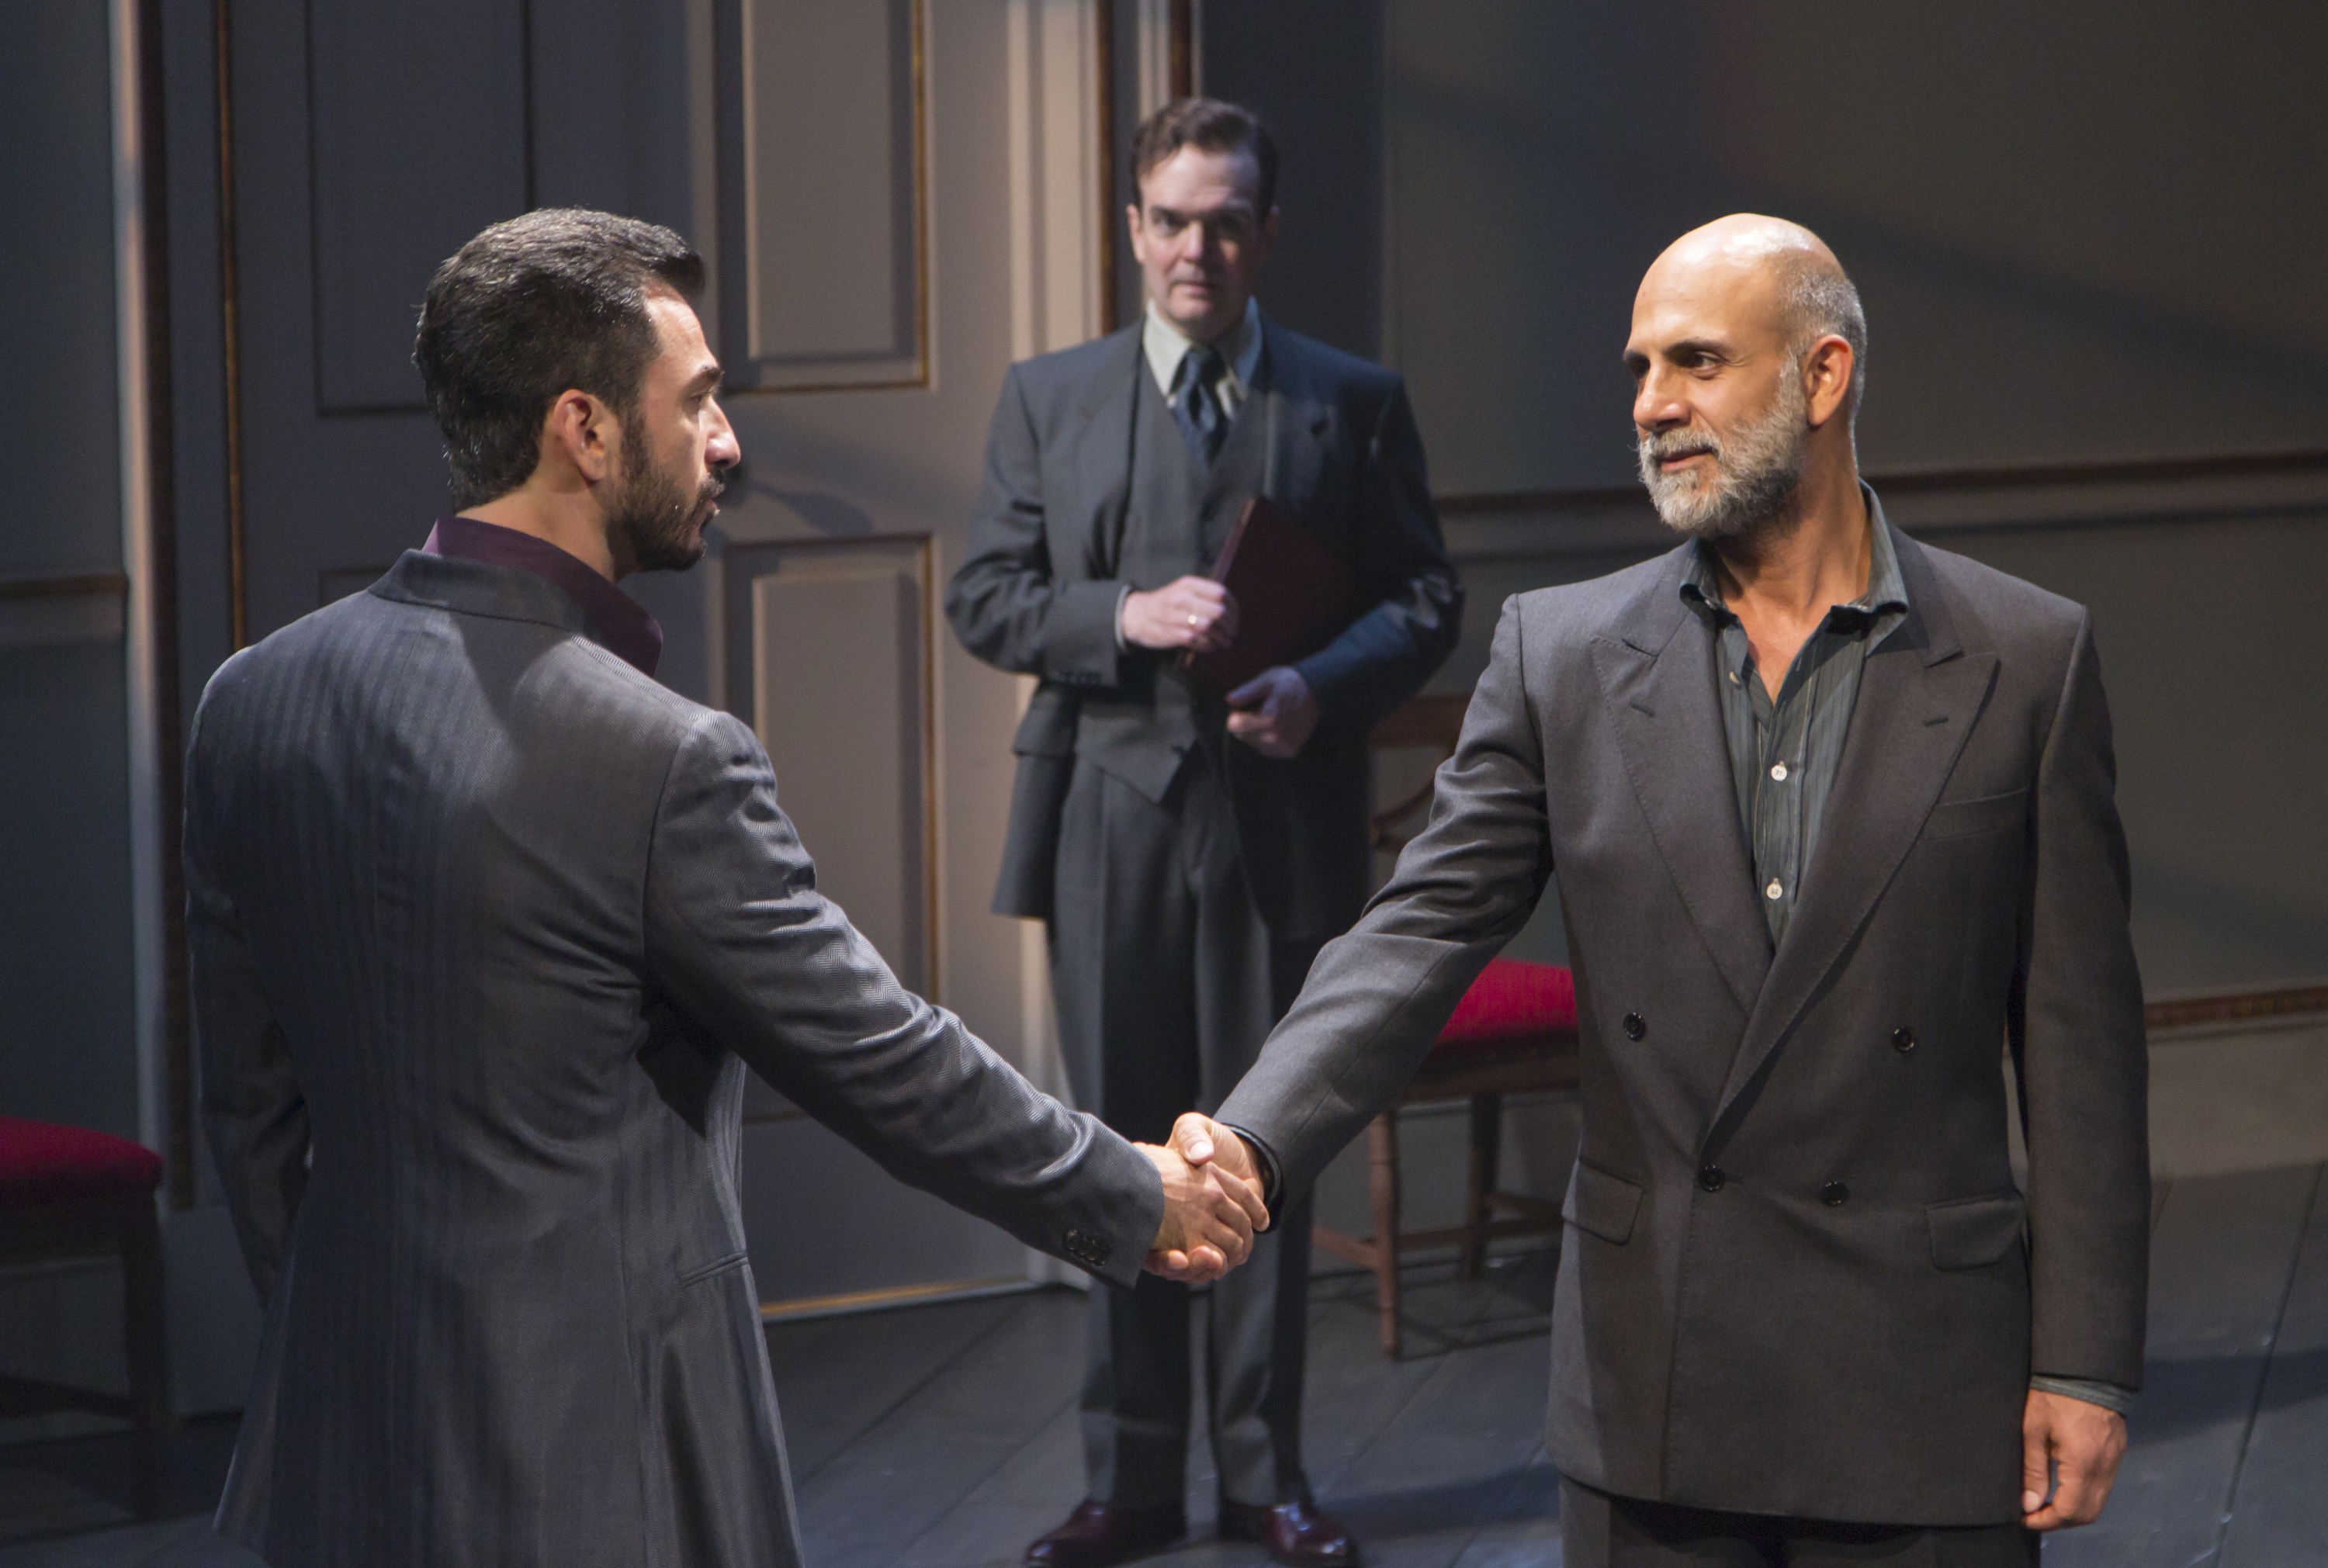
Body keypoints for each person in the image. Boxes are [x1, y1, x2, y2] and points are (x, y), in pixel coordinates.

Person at [187, 209, 1266, 1568]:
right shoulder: (661, 757)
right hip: (598, 1456)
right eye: (697, 401)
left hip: (334, 1443)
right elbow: (880, 1058)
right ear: (583, 428)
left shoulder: (247, 702)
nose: (730, 442)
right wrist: (1133, 1188)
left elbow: (249, 1108)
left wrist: (343, 1332)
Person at [1180, 215, 2150, 1566]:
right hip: (1660, 1375)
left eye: (1695, 362)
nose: (1651, 406)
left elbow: (2082, 1049)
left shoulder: (2024, 658)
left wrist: (2089, 1361)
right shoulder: (1563, 652)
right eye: (1639, 369)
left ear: (1822, 377)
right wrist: (1253, 1139)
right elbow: (1419, 929)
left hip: (1925, 1378)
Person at [945, 99, 1461, 1567]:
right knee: (1107, 1153)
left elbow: (1426, 597)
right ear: (1133, 230)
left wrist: (1325, 685)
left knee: (1258, 1153)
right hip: (1107, 816)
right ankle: (1128, 1481)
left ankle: (1264, 1475)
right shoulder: (1049, 397)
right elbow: (984, 595)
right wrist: (1119, 612)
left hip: (1279, 826)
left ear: (1265, 236)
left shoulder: (1350, 400)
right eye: (1171, 219)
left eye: (1226, 220)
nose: (1197, 248)